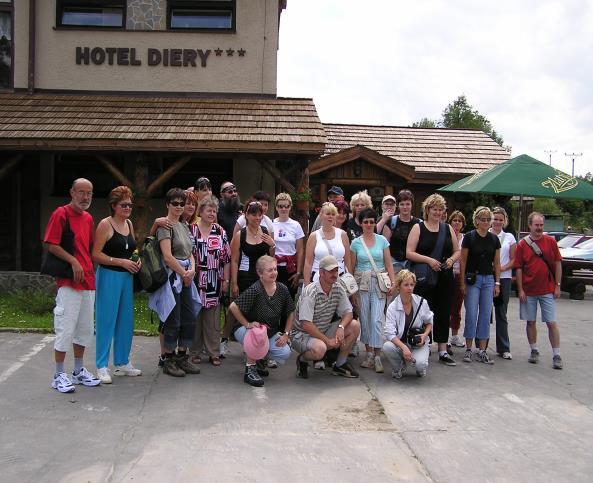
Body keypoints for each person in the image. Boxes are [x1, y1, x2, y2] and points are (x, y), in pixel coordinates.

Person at [44, 178, 100, 393]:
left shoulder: (88, 218)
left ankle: (78, 371)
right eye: (81, 192)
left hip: (87, 280)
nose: (85, 197)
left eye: (89, 193)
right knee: (65, 328)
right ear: (72, 192)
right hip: (68, 281)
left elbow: (90, 248)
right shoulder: (61, 214)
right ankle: (59, 374)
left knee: (85, 329)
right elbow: (51, 244)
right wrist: (73, 260)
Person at [92, 186, 142, 384]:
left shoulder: (128, 223)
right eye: (124, 205)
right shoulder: (105, 225)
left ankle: (122, 361)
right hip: (109, 276)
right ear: (113, 206)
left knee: (125, 321)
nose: (128, 208)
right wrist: (120, 262)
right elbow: (96, 254)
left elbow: (133, 248)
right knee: (106, 321)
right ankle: (101, 365)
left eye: (130, 204)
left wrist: (137, 260)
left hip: (126, 278)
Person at [150, 188, 201, 377]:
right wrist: (184, 273)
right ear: (168, 204)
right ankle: (169, 359)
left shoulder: (184, 225)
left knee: (189, 316)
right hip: (173, 277)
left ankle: (182, 356)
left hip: (186, 275)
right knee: (173, 319)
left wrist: (192, 270)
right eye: (175, 203)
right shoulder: (165, 226)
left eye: (182, 203)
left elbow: (190, 253)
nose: (179, 207)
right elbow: (167, 256)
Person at [406, 193, 460, 366]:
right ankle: (425, 345)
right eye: (434, 209)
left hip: (444, 276)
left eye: (440, 209)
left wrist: (451, 260)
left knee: (444, 311)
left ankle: (443, 349)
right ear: (427, 210)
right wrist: (429, 260)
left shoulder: (447, 228)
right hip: (425, 277)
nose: (437, 212)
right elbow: (409, 252)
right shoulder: (418, 228)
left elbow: (457, 250)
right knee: (424, 312)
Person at [290, 255, 361, 379]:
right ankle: (302, 359)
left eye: (336, 271)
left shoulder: (338, 287)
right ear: (321, 273)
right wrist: (327, 341)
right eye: (330, 271)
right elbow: (306, 325)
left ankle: (340, 364)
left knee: (354, 325)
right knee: (320, 349)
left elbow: (348, 312)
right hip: (301, 334)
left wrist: (341, 327)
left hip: (322, 330)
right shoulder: (310, 292)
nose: (334, 274)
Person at [229, 256, 295, 386]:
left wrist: (286, 334)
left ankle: (259, 359)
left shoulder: (282, 289)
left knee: (285, 352)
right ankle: (250, 369)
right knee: (258, 334)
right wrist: (247, 324)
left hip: (269, 332)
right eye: (269, 270)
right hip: (247, 331)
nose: (274, 273)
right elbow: (233, 307)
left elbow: (291, 311)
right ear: (260, 273)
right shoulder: (255, 289)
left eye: (275, 269)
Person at [348, 208, 396, 373]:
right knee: (365, 319)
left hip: (379, 282)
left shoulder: (382, 240)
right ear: (361, 223)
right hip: (362, 284)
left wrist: (393, 282)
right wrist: (352, 291)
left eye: (371, 221)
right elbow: (351, 268)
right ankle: (368, 354)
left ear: (375, 223)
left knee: (376, 319)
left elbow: (389, 264)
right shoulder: (355, 243)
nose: (369, 224)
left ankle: (377, 355)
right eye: (365, 221)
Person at [514, 212, 563, 369]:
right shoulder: (522, 244)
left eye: (541, 225)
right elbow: (519, 268)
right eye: (537, 225)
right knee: (531, 321)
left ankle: (556, 354)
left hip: (547, 289)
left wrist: (557, 285)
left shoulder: (550, 241)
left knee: (551, 322)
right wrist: (520, 289)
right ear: (530, 225)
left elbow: (557, 263)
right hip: (529, 290)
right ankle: (534, 350)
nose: (539, 228)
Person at [189, 195, 231, 367]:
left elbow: (227, 258)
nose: (212, 213)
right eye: (209, 210)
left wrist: (226, 280)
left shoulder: (220, 232)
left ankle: (214, 352)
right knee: (195, 317)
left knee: (213, 320)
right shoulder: (192, 230)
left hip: (214, 279)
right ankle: (195, 351)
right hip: (196, 279)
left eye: (214, 211)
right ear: (201, 211)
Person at [459, 206, 501, 365]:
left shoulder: (494, 239)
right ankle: (469, 348)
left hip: (488, 279)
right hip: (473, 278)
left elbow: (497, 262)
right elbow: (463, 260)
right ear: (476, 220)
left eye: (487, 219)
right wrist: (462, 281)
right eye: (482, 219)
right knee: (471, 313)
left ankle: (482, 350)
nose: (485, 222)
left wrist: (497, 282)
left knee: (485, 314)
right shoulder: (469, 237)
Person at [383, 270, 433, 378]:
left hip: (417, 343)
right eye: (406, 285)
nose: (409, 288)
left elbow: (429, 322)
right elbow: (389, 333)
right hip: (401, 343)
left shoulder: (421, 302)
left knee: (421, 365)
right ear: (398, 287)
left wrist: (424, 336)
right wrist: (403, 347)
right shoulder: (392, 307)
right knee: (387, 346)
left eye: (412, 285)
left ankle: (420, 366)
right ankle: (399, 367)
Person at [230, 200, 276, 297]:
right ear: (246, 215)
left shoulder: (264, 231)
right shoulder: (240, 235)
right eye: (254, 215)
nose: (257, 218)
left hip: (263, 277)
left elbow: (271, 256)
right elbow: (234, 261)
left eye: (260, 215)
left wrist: (272, 245)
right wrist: (234, 284)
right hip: (245, 277)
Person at [490, 206, 516, 360]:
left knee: (501, 313)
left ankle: (504, 347)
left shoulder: (510, 237)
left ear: (504, 221)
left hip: (504, 278)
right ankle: (482, 346)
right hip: (488, 277)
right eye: (495, 219)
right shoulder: (486, 234)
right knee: (486, 313)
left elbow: (514, 259)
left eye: (500, 219)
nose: (497, 222)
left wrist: (500, 269)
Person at [303, 202, 352, 285]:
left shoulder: (343, 235)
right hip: (318, 279)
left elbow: (348, 261)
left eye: (333, 214)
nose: (330, 216)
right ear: (321, 215)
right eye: (328, 214)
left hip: (340, 280)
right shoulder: (314, 236)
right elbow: (308, 263)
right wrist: (307, 285)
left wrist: (351, 283)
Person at [273, 192, 305, 299]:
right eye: (280, 206)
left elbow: (300, 250)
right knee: (275, 297)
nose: (283, 209)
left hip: (290, 267)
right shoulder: (271, 224)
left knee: (289, 298)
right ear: (276, 207)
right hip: (275, 267)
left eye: (286, 206)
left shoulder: (296, 225)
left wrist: (299, 272)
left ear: (290, 207)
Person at [380, 189, 421, 273]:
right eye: (402, 204)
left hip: (412, 264)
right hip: (394, 263)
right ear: (398, 206)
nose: (405, 207)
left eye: (407, 204)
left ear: (412, 205)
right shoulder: (391, 222)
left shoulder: (419, 223)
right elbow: (384, 246)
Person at [448, 210, 467, 348]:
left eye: (459, 221)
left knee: (457, 306)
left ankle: (454, 335)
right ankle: (444, 336)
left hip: (460, 274)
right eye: (454, 220)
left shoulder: (465, 238)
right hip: (447, 274)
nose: (457, 223)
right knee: (445, 306)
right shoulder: (446, 235)